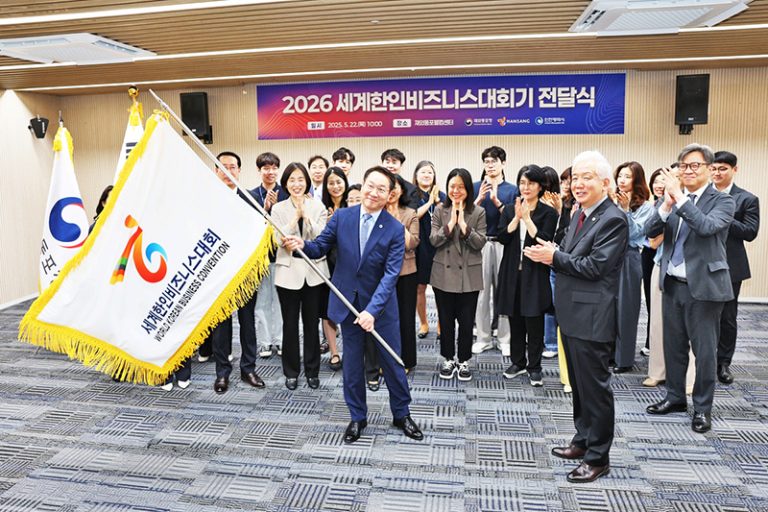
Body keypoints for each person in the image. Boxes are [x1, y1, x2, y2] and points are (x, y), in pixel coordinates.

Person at [282, 166, 424, 444]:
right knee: (353, 365)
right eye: (370, 185)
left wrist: (372, 311)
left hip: (381, 308)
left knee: (393, 363)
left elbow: (390, 275)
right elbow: (320, 247)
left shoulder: (395, 229)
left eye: (381, 189)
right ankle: (357, 417)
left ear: (389, 195)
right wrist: (302, 245)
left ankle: (401, 414)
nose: (373, 193)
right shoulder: (343, 217)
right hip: (348, 302)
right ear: (363, 185)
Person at [525, 150, 628, 483]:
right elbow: (570, 254)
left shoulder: (613, 219)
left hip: (593, 316)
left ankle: (598, 457)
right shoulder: (580, 212)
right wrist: (551, 252)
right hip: (572, 313)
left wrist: (553, 257)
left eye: (587, 177)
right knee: (581, 387)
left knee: (595, 389)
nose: (578, 184)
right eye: (575, 178)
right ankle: (582, 440)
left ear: (605, 182)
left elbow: (596, 267)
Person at [645, 143, 735, 434]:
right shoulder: (674, 199)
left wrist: (680, 199)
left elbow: (706, 227)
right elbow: (649, 231)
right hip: (673, 284)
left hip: (705, 289)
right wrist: (665, 206)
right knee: (673, 347)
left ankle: (702, 408)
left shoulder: (723, 201)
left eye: (694, 165)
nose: (688, 170)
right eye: (683, 166)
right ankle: (674, 398)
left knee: (704, 352)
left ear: (709, 169)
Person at [210, 151, 266, 394]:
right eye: (223, 167)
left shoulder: (252, 198)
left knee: (247, 322)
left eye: (233, 167)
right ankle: (222, 373)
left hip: (245, 272)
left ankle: (248, 369)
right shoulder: (207, 199)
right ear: (216, 171)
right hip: (218, 272)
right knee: (221, 325)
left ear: (239, 171)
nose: (228, 171)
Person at [498, 165, 558, 387]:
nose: (526, 187)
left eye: (531, 183)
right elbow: (502, 237)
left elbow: (544, 238)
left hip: (535, 273)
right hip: (512, 272)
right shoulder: (508, 209)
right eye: (522, 183)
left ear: (540, 186)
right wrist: (516, 218)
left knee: (534, 321)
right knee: (515, 320)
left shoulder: (548, 213)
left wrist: (527, 219)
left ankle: (534, 366)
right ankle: (518, 362)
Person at [271, 163, 330, 390]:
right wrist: (294, 218)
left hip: (314, 273)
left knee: (311, 324)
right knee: (290, 325)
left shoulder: (318, 206)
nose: (296, 184)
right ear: (285, 184)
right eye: (292, 180)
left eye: (300, 180)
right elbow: (277, 239)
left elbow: (322, 237)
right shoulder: (278, 208)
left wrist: (307, 217)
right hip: (288, 273)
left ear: (307, 182)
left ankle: (312, 371)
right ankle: (291, 371)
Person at [643, 168, 697, 391]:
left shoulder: (700, 202)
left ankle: (690, 378)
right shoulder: (662, 203)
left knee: (691, 327)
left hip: (693, 271)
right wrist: (666, 205)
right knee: (658, 322)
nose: (668, 182)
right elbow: (651, 236)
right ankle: (657, 371)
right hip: (662, 265)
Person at [431, 168, 487, 381]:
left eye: (461, 187)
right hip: (443, 275)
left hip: (469, 276)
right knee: (445, 321)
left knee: (466, 321)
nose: (456, 191)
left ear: (468, 189)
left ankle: (463, 360)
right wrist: (451, 224)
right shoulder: (439, 210)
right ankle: (448, 358)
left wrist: (464, 225)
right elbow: (433, 240)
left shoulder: (478, 212)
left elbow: (480, 243)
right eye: (452, 186)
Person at [711, 150, 760, 385]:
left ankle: (723, 363)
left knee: (727, 317)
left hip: (730, 266)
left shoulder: (746, 199)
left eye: (723, 169)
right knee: (701, 315)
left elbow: (750, 232)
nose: (717, 173)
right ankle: (702, 359)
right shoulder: (702, 195)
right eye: (713, 169)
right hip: (702, 264)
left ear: (734, 170)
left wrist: (724, 215)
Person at [471, 146, 518, 356]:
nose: (490, 165)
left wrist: (497, 203)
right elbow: (467, 216)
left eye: (494, 161)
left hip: (503, 244)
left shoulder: (512, 189)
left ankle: (504, 338)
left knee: (504, 292)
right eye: (487, 162)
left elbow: (514, 218)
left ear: (503, 163)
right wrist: (479, 200)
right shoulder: (476, 187)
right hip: (481, 244)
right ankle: (483, 338)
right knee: (481, 294)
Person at [612, 161, 653, 373]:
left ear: (637, 180)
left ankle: (624, 359)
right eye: (620, 176)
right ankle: (609, 354)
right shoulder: (610, 200)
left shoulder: (646, 207)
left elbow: (636, 234)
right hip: (608, 257)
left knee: (626, 310)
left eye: (627, 176)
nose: (622, 180)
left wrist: (626, 210)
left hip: (629, 257)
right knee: (608, 310)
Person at [252, 152, 288, 359]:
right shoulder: (250, 195)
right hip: (261, 258)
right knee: (263, 301)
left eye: (274, 168)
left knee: (281, 302)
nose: (270, 172)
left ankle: (281, 340)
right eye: (266, 168)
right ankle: (265, 343)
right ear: (259, 170)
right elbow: (249, 225)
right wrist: (265, 209)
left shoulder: (286, 193)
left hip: (282, 256)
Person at [388, 174, 420, 372]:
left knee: (405, 318)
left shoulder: (410, 214)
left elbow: (412, 243)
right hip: (381, 273)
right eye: (388, 186)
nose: (392, 190)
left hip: (406, 272)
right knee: (384, 319)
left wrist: (396, 221)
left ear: (401, 191)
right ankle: (385, 359)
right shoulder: (376, 211)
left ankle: (406, 360)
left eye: (395, 186)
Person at [320, 167, 349, 371]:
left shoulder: (353, 205)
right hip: (326, 264)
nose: (335, 186)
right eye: (331, 183)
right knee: (327, 310)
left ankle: (351, 351)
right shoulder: (320, 208)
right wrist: (327, 225)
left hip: (348, 265)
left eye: (339, 182)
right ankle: (334, 352)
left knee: (349, 309)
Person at [412, 160, 444, 339]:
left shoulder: (442, 195)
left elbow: (448, 217)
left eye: (430, 172)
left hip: (439, 248)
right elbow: (412, 216)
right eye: (423, 172)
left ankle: (441, 324)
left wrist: (437, 201)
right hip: (419, 246)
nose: (426, 175)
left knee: (440, 289)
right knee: (420, 287)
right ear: (416, 176)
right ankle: (424, 323)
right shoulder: (411, 196)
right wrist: (430, 201)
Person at [640, 168, 666, 357]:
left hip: (661, 254)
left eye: (663, 181)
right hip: (648, 255)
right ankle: (651, 341)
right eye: (656, 181)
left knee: (662, 302)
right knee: (651, 300)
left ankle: (658, 343)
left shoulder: (670, 205)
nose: (659, 185)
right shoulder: (653, 205)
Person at [540, 166, 563, 359]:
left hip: (555, 256)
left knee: (552, 302)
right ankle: (539, 339)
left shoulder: (562, 203)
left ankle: (552, 343)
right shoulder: (532, 202)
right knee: (537, 300)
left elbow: (563, 232)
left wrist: (557, 211)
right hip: (536, 255)